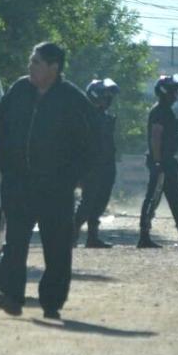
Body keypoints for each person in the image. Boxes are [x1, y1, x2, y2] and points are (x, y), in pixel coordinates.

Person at [0, 42, 93, 320]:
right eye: (31, 61)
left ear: (53, 68)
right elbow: (1, 128)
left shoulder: (73, 100)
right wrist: (4, 163)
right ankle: (10, 294)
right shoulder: (18, 92)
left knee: (57, 247)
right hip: (19, 183)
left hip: (56, 189)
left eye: (36, 62)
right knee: (15, 242)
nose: (30, 67)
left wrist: (72, 178)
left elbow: (89, 144)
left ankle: (52, 302)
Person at [137, 74, 178, 250]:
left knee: (176, 199)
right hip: (160, 162)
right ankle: (143, 238)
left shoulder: (166, 111)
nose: (176, 95)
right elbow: (155, 138)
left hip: (168, 161)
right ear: (164, 92)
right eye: (174, 91)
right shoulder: (159, 111)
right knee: (152, 199)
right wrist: (158, 162)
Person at [74, 78, 120, 248]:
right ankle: (72, 235)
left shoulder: (105, 117)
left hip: (106, 166)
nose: (107, 100)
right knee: (87, 202)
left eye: (109, 97)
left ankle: (93, 237)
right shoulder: (84, 116)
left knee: (100, 202)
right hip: (90, 166)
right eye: (104, 96)